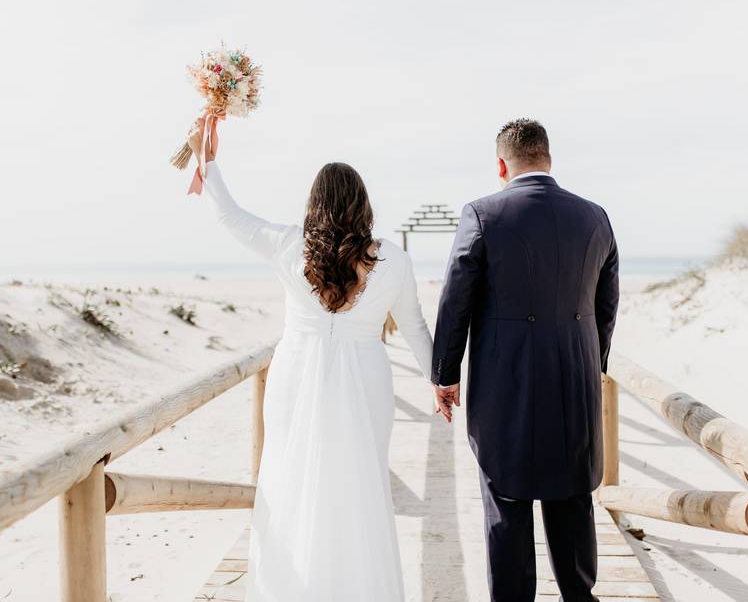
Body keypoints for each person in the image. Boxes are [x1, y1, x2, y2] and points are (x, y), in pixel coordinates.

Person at [187, 116, 432, 601]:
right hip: (365, 378)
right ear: (364, 204)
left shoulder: (287, 245)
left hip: (298, 374)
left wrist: (207, 161)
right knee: (359, 486)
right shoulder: (393, 260)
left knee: (291, 481)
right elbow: (416, 328)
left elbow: (230, 215)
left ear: (313, 203)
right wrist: (441, 381)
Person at [431, 119, 620, 602]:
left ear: (501, 164)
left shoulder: (482, 214)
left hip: (504, 386)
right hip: (574, 383)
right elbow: (606, 305)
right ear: (549, 159)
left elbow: (456, 302)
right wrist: (590, 363)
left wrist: (445, 375)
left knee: (507, 502)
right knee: (572, 498)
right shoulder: (595, 217)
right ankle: (579, 595)